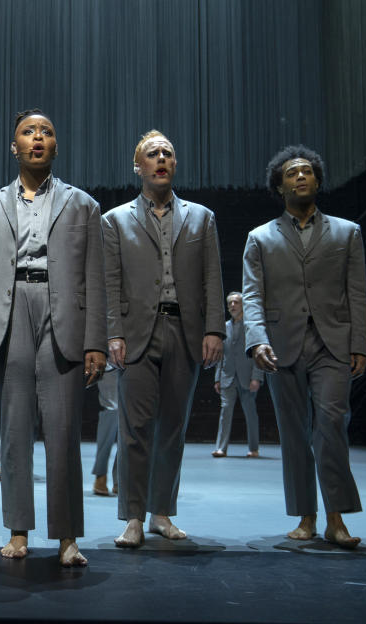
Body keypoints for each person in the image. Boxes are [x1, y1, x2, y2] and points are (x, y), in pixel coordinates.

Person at [0, 109, 106, 567]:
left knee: (63, 429)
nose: (37, 138)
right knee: (15, 427)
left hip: (62, 311)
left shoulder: (83, 205)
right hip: (8, 309)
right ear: (14, 146)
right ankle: (18, 530)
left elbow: (96, 279)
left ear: (56, 146)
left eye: (46, 132)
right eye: (28, 132)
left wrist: (96, 341)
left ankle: (66, 537)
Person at [102, 130, 224, 548]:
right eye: (152, 153)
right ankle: (132, 517)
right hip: (136, 334)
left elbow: (212, 277)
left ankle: (161, 513)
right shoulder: (115, 220)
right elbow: (110, 283)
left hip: (185, 331)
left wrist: (214, 329)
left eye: (167, 153)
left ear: (174, 165)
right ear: (138, 166)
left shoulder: (201, 217)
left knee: (173, 428)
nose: (160, 158)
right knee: (134, 429)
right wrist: (112, 333)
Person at [242, 145, 366, 549]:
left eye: (308, 172)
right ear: (279, 186)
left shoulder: (348, 232)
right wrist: (257, 341)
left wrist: (360, 343)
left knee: (331, 425)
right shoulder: (259, 238)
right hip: (282, 345)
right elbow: (251, 296)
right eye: (292, 173)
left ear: (317, 181)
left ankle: (336, 519)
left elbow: (358, 293)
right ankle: (305, 516)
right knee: (294, 432)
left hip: (333, 343)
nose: (301, 177)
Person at [212, 291, 264, 458]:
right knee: (225, 411)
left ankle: (253, 448)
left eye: (236, 302)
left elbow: (257, 352)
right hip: (227, 376)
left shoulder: (250, 326)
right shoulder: (224, 328)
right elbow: (221, 354)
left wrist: (257, 377)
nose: (233, 306)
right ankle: (221, 448)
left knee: (250, 413)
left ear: (243, 305)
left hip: (247, 376)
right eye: (230, 303)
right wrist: (217, 378)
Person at [92, 366, 119, 495]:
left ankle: (122, 477)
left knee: (132, 416)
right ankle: (100, 473)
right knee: (111, 408)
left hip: (138, 357)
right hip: (110, 360)